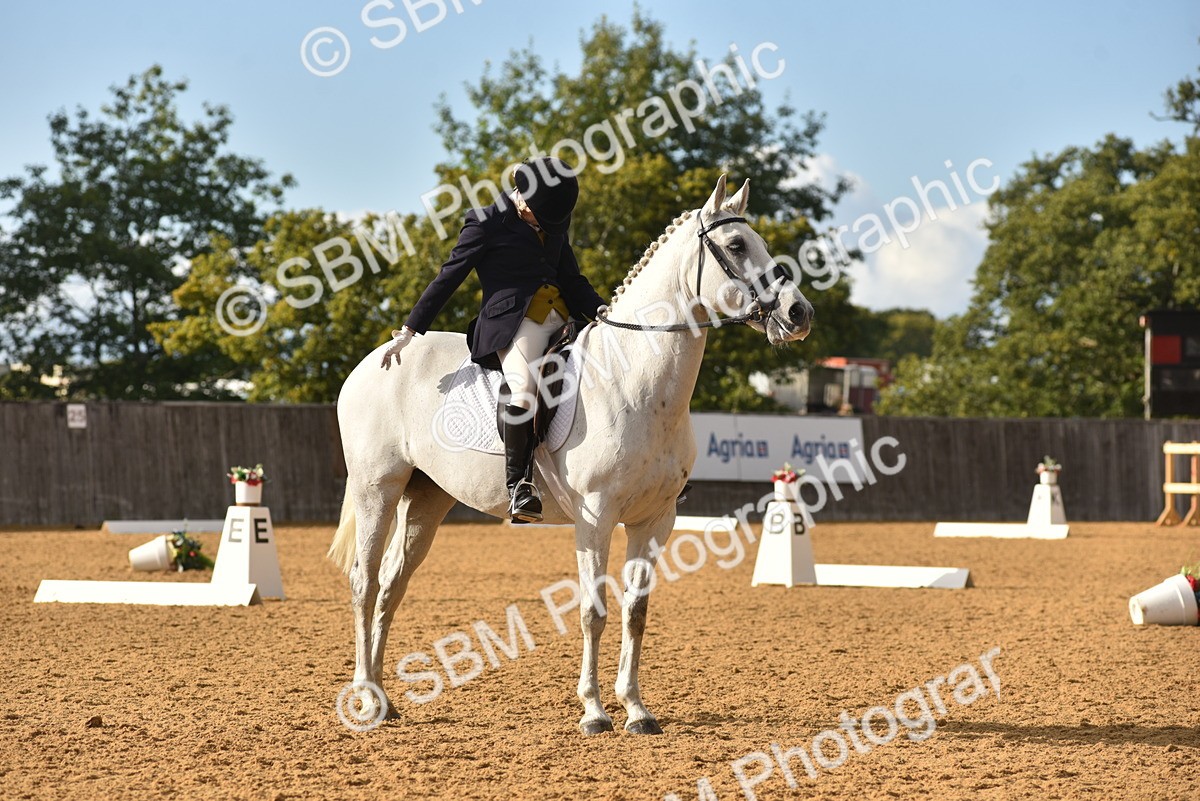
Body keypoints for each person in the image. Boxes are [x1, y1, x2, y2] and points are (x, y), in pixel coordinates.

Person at [380, 157, 607, 523]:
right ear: (521, 197)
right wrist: (409, 331)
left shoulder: (550, 218)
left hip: (564, 319)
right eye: (536, 215)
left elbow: (573, 279)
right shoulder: (486, 223)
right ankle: (519, 485)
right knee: (523, 388)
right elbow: (448, 277)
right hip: (516, 323)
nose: (542, 225)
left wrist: (601, 310)